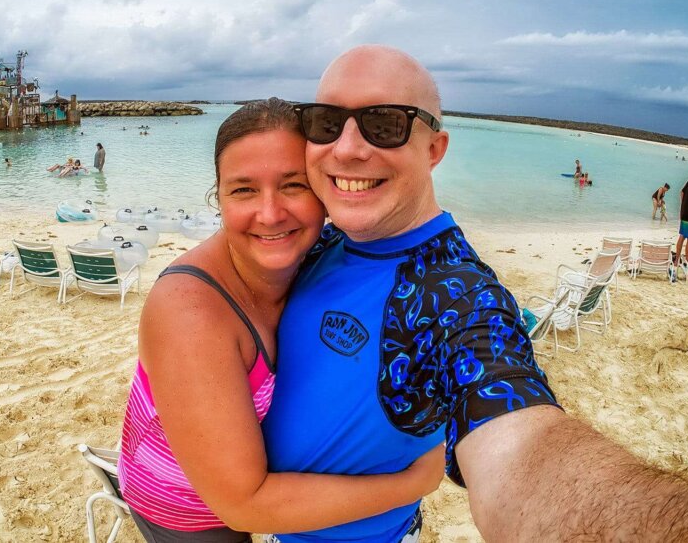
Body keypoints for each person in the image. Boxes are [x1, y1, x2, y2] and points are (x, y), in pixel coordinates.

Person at [262, 46, 688, 541]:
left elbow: (522, 453)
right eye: (326, 122)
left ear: (435, 148)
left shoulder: (454, 295)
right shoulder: (315, 240)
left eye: (385, 124)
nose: (348, 148)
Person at [118, 98, 444, 542]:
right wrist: (412, 483)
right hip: (186, 509)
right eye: (244, 190)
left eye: (293, 186)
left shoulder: (320, 256)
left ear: (326, 189)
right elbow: (242, 506)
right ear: (218, 197)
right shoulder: (189, 312)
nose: (270, 214)